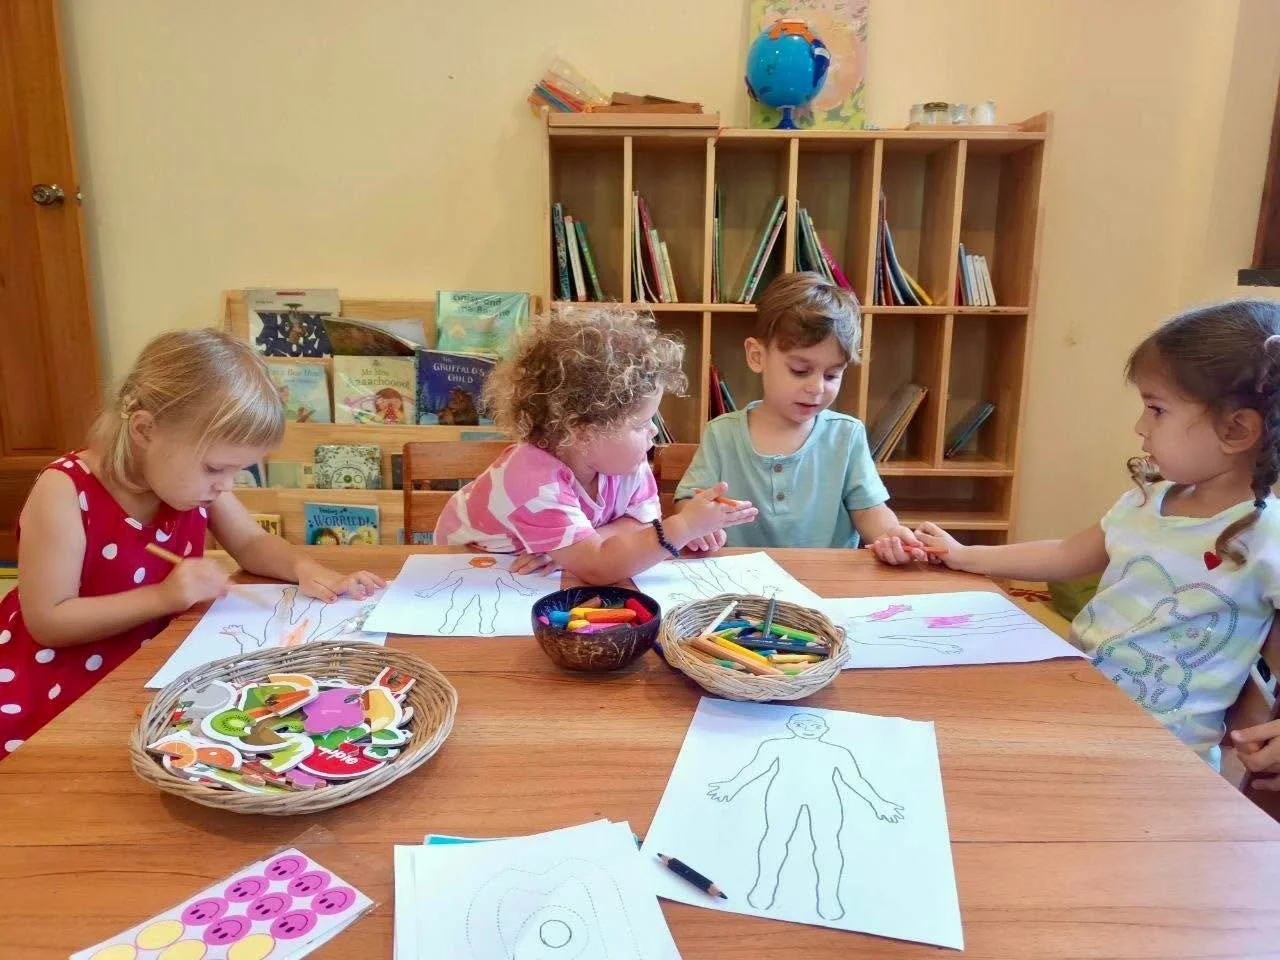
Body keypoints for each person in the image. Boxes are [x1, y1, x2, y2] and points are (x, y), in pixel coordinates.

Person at [884, 302, 1280, 768]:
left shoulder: (1266, 532)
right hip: (1078, 711)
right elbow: (1066, 554)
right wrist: (966, 555)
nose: (1140, 427)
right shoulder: (1146, 500)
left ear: (1236, 430)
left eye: (1156, 410)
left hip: (1166, 761)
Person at [0, 329, 384, 760]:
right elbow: (48, 621)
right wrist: (164, 596)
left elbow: (252, 541)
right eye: (215, 468)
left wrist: (307, 569)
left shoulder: (189, 485)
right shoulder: (65, 489)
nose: (224, 486)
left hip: (161, 661)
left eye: (236, 473)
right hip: (62, 678)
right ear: (146, 429)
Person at [434, 307, 758, 584]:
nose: (654, 432)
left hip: (534, 573)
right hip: (467, 566)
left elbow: (639, 525)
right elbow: (599, 568)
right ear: (583, 432)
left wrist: (571, 552)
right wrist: (684, 526)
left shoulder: (628, 463)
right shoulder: (530, 476)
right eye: (640, 424)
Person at [675, 272, 923, 555]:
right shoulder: (721, 433)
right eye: (800, 371)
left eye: (832, 375)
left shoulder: (847, 434)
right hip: (741, 582)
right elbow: (689, 502)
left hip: (826, 583)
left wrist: (889, 534)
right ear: (757, 356)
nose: (816, 388)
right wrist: (698, 525)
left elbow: (869, 510)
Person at [706, 712, 903, 920]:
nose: (808, 728)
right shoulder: (775, 746)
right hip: (783, 795)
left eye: (815, 726)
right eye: (801, 724)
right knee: (775, 837)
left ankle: (829, 897)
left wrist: (878, 802)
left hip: (825, 799)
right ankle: (764, 886)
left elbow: (855, 780)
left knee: (828, 843)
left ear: (824, 730)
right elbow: (755, 768)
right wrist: (732, 786)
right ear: (791, 726)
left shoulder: (838, 752)